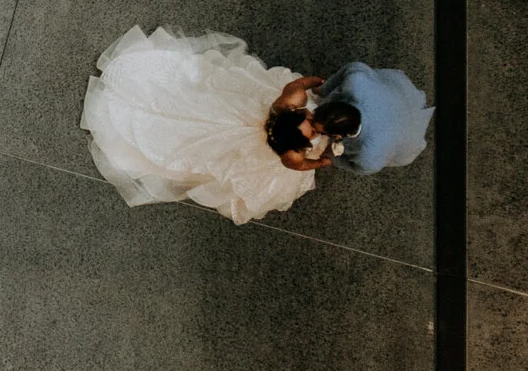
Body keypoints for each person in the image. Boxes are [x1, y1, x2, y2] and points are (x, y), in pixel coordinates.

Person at [79, 26, 430, 225]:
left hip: (247, 115)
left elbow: (309, 84)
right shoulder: (294, 153)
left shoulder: (289, 103)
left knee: (206, 96)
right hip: (380, 100)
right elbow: (316, 162)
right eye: (314, 126)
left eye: (312, 124)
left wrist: (314, 94)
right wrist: (324, 159)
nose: (313, 122)